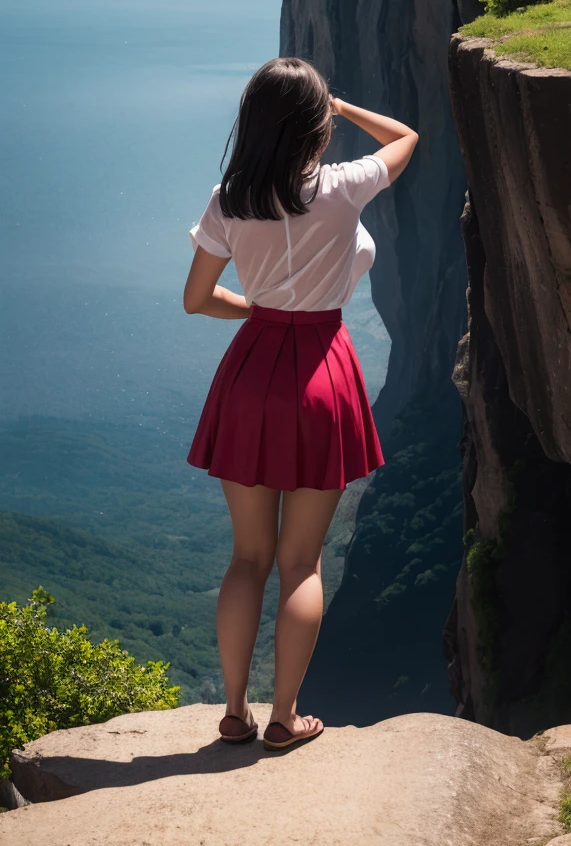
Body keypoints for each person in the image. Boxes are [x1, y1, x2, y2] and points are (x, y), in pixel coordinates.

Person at [183, 57, 418, 751]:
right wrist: (342, 106)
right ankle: (285, 718)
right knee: (301, 562)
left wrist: (256, 310)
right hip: (323, 373)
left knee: (246, 557)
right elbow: (405, 138)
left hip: (252, 370)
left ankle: (233, 712)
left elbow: (196, 300)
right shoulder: (344, 188)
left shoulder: (230, 198)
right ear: (315, 126)